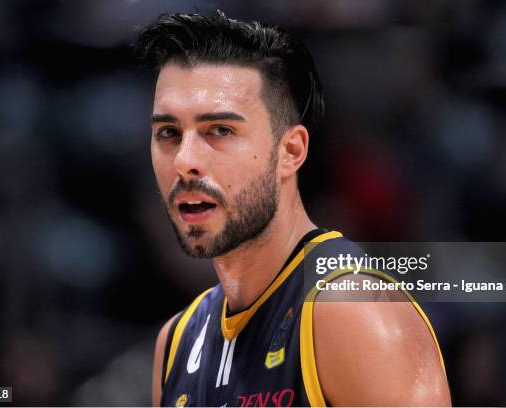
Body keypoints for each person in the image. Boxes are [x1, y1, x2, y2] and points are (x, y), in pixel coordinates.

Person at [134, 11, 451, 407]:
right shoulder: (177, 341)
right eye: (168, 133)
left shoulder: (352, 311)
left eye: (220, 130)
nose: (184, 160)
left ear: (291, 152)